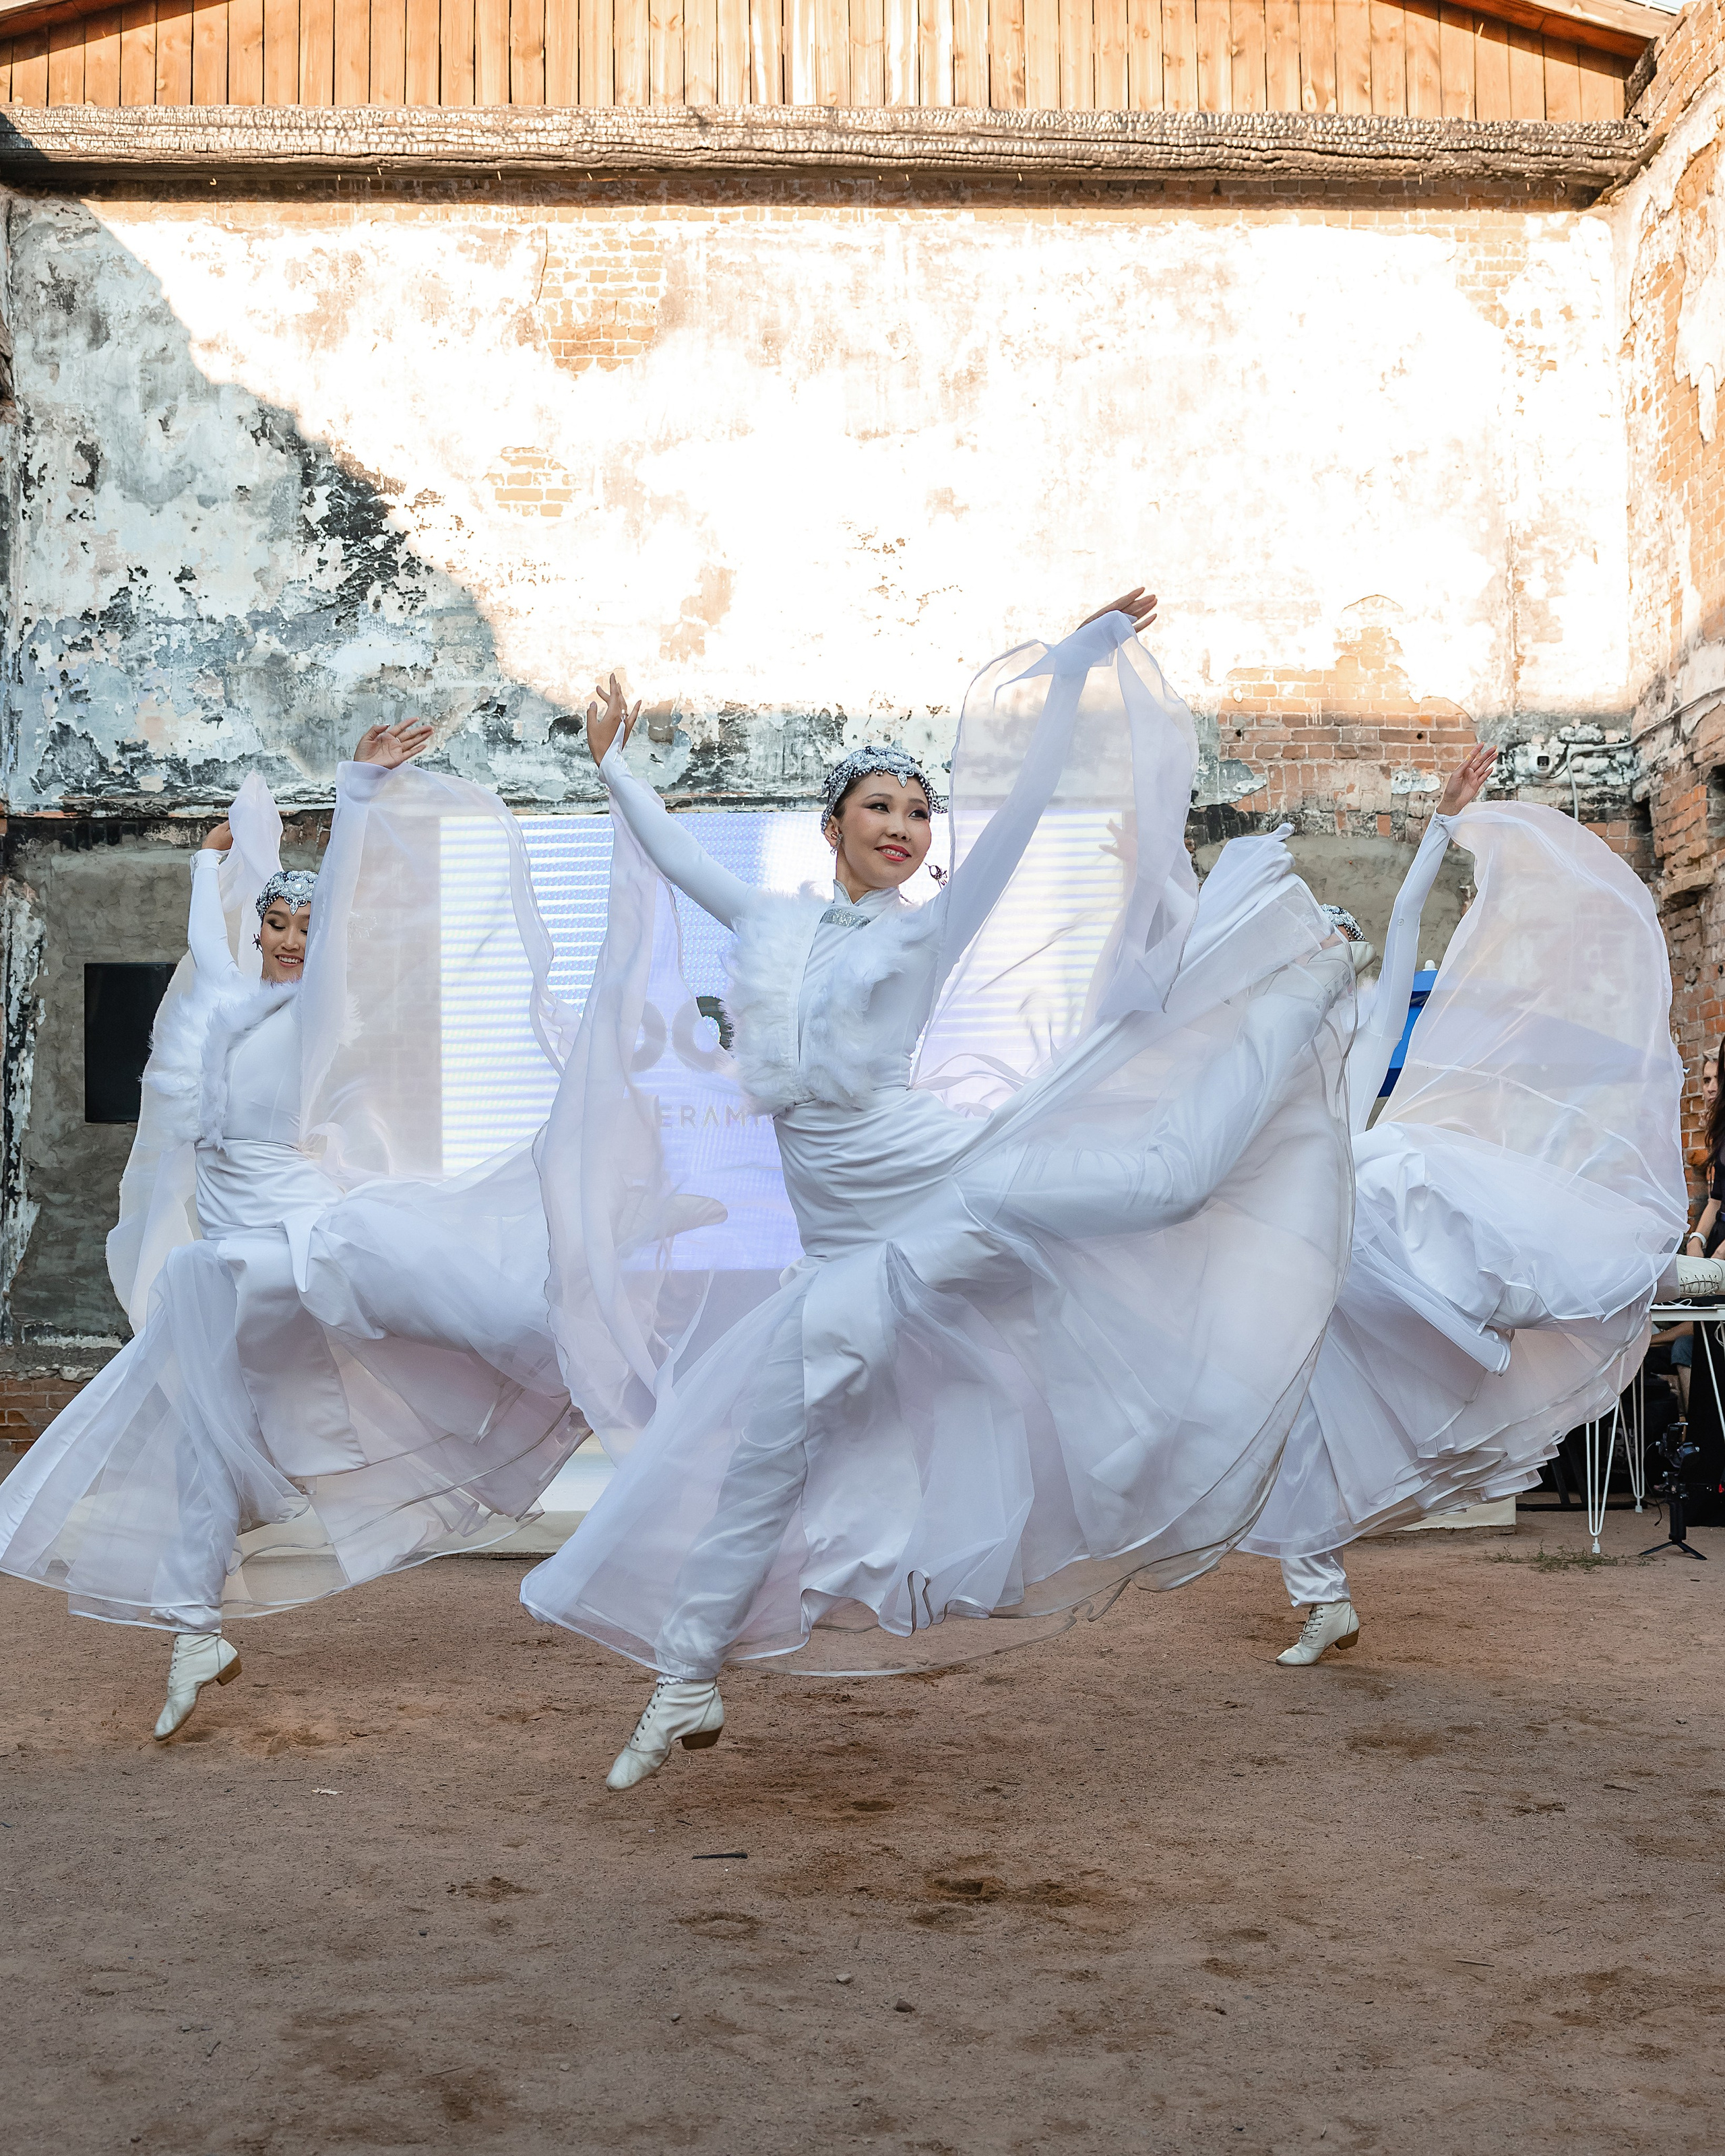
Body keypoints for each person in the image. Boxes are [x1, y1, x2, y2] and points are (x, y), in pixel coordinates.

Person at [522, 594, 1360, 1788]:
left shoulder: (925, 932)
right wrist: (613, 768)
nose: (905, 828)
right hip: (843, 1246)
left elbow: (1013, 817)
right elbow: (676, 854)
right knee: (766, 1454)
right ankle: (687, 1680)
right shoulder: (773, 926)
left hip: (945, 1181)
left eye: (919, 812)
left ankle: (1305, 986)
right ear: (833, 826)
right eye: (881, 808)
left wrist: (1070, 673)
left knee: (1166, 1184)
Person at [0, 725, 582, 1738]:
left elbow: (345, 905)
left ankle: (593, 1365)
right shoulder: (227, 1009)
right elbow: (206, 942)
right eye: (276, 924)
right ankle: (195, 1631)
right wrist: (207, 863)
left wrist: (358, 792)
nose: (290, 941)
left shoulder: (317, 1013)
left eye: (306, 930)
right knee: (205, 1439)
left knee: (475, 1320)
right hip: (241, 1266)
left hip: (303, 1242)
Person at [1241, 755, 1699, 1662]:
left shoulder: (1364, 1030)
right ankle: (1323, 1598)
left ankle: (1647, 1274)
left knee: (1406, 1174)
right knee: (1294, 1417)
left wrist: (1442, 829)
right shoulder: (1257, 1064)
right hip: (1303, 1253)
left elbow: (1405, 923)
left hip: (1368, 1223)